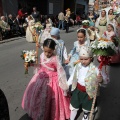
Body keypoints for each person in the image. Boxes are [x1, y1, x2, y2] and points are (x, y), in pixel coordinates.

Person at [22, 39, 70, 120]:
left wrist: (63, 85)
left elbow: (60, 71)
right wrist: (32, 64)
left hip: (53, 80)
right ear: (43, 49)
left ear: (53, 50)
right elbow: (40, 66)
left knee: (51, 99)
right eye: (45, 51)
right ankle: (38, 113)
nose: (47, 54)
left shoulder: (55, 59)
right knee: (39, 99)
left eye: (49, 52)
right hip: (41, 78)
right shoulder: (41, 55)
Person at [67, 46, 109, 120]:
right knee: (74, 106)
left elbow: (105, 80)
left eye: (86, 59)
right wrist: (67, 85)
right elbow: (73, 76)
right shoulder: (78, 66)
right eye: (81, 59)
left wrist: (101, 80)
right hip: (78, 90)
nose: (83, 61)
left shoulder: (96, 68)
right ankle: (72, 118)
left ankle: (86, 114)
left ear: (91, 58)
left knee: (87, 106)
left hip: (89, 92)